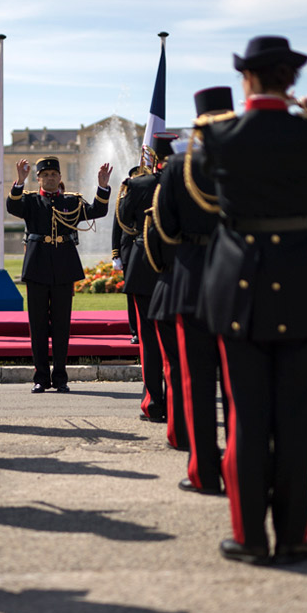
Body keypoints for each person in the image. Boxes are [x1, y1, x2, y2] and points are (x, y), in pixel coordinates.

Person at [198, 35, 307, 565]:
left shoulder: (221, 135)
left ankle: (250, 537)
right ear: (291, 82)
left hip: (240, 290)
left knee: (248, 422)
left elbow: (205, 191)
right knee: (295, 422)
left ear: (247, 78)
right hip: (300, 287)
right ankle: (294, 536)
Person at [150, 86, 235, 495]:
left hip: (190, 278)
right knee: (238, 387)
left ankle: (203, 470)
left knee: (196, 383)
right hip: (238, 278)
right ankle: (239, 466)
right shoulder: (250, 164)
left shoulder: (179, 166)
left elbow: (164, 227)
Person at [7, 156, 113, 393]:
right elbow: (13, 207)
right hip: (37, 268)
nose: (50, 178)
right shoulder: (31, 201)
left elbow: (97, 210)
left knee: (62, 326)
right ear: (39, 179)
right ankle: (41, 377)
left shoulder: (71, 201)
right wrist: (19, 182)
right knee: (38, 325)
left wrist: (102, 187)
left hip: (64, 268)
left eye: (54, 175)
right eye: (45, 175)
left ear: (60, 178)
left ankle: (61, 377)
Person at [119, 134, 176, 425]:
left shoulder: (137, 184)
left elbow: (124, 219)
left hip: (145, 267)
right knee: (177, 339)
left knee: (149, 340)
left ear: (151, 160)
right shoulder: (188, 184)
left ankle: (154, 402)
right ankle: (179, 403)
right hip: (178, 269)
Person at [111, 167, 141, 345]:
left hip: (148, 249)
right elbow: (117, 227)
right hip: (129, 250)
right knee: (131, 294)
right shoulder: (122, 199)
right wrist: (116, 253)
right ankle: (135, 330)